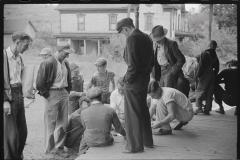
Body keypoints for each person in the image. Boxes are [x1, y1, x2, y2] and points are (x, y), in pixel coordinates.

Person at [116, 17, 154, 153]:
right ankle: (147, 141)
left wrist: (126, 79)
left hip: (134, 81)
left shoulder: (132, 38)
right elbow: (152, 60)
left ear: (126, 28)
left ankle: (134, 146)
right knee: (143, 110)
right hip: (144, 79)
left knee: (132, 113)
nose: (123, 35)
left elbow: (132, 65)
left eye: (122, 32)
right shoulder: (146, 37)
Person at [36, 43, 74, 158]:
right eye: (66, 52)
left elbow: (68, 79)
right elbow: (39, 82)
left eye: (68, 52)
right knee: (50, 123)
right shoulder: (48, 62)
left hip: (63, 92)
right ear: (60, 50)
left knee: (63, 123)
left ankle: (60, 148)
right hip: (51, 93)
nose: (68, 54)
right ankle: (49, 150)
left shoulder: (65, 62)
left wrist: (67, 91)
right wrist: (47, 95)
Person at [3, 31, 32, 160]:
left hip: (19, 94)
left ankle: (17, 156)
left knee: (22, 132)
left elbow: (20, 77)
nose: (27, 48)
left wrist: (29, 89)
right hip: (9, 97)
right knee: (11, 135)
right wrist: (4, 100)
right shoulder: (3, 56)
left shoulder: (19, 57)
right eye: (26, 45)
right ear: (17, 42)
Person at [79, 87, 126, 155]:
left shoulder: (83, 112)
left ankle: (80, 155)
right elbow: (119, 128)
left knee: (83, 141)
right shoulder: (110, 110)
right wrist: (126, 135)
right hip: (106, 141)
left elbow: (85, 127)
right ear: (101, 97)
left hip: (90, 141)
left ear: (89, 99)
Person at [150, 25, 187, 97]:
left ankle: (170, 107)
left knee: (168, 93)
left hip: (169, 69)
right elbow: (154, 61)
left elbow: (181, 59)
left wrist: (173, 71)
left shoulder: (171, 44)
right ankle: (163, 108)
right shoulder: (156, 44)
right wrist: (153, 76)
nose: (157, 41)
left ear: (163, 37)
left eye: (158, 39)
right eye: (156, 40)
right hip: (160, 71)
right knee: (160, 92)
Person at [194, 40, 219, 115]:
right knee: (209, 93)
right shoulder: (215, 55)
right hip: (212, 75)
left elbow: (201, 66)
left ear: (211, 45)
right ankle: (207, 109)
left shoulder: (204, 53)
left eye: (208, 43)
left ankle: (199, 108)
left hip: (205, 76)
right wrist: (214, 75)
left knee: (199, 92)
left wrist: (198, 75)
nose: (207, 44)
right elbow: (217, 68)